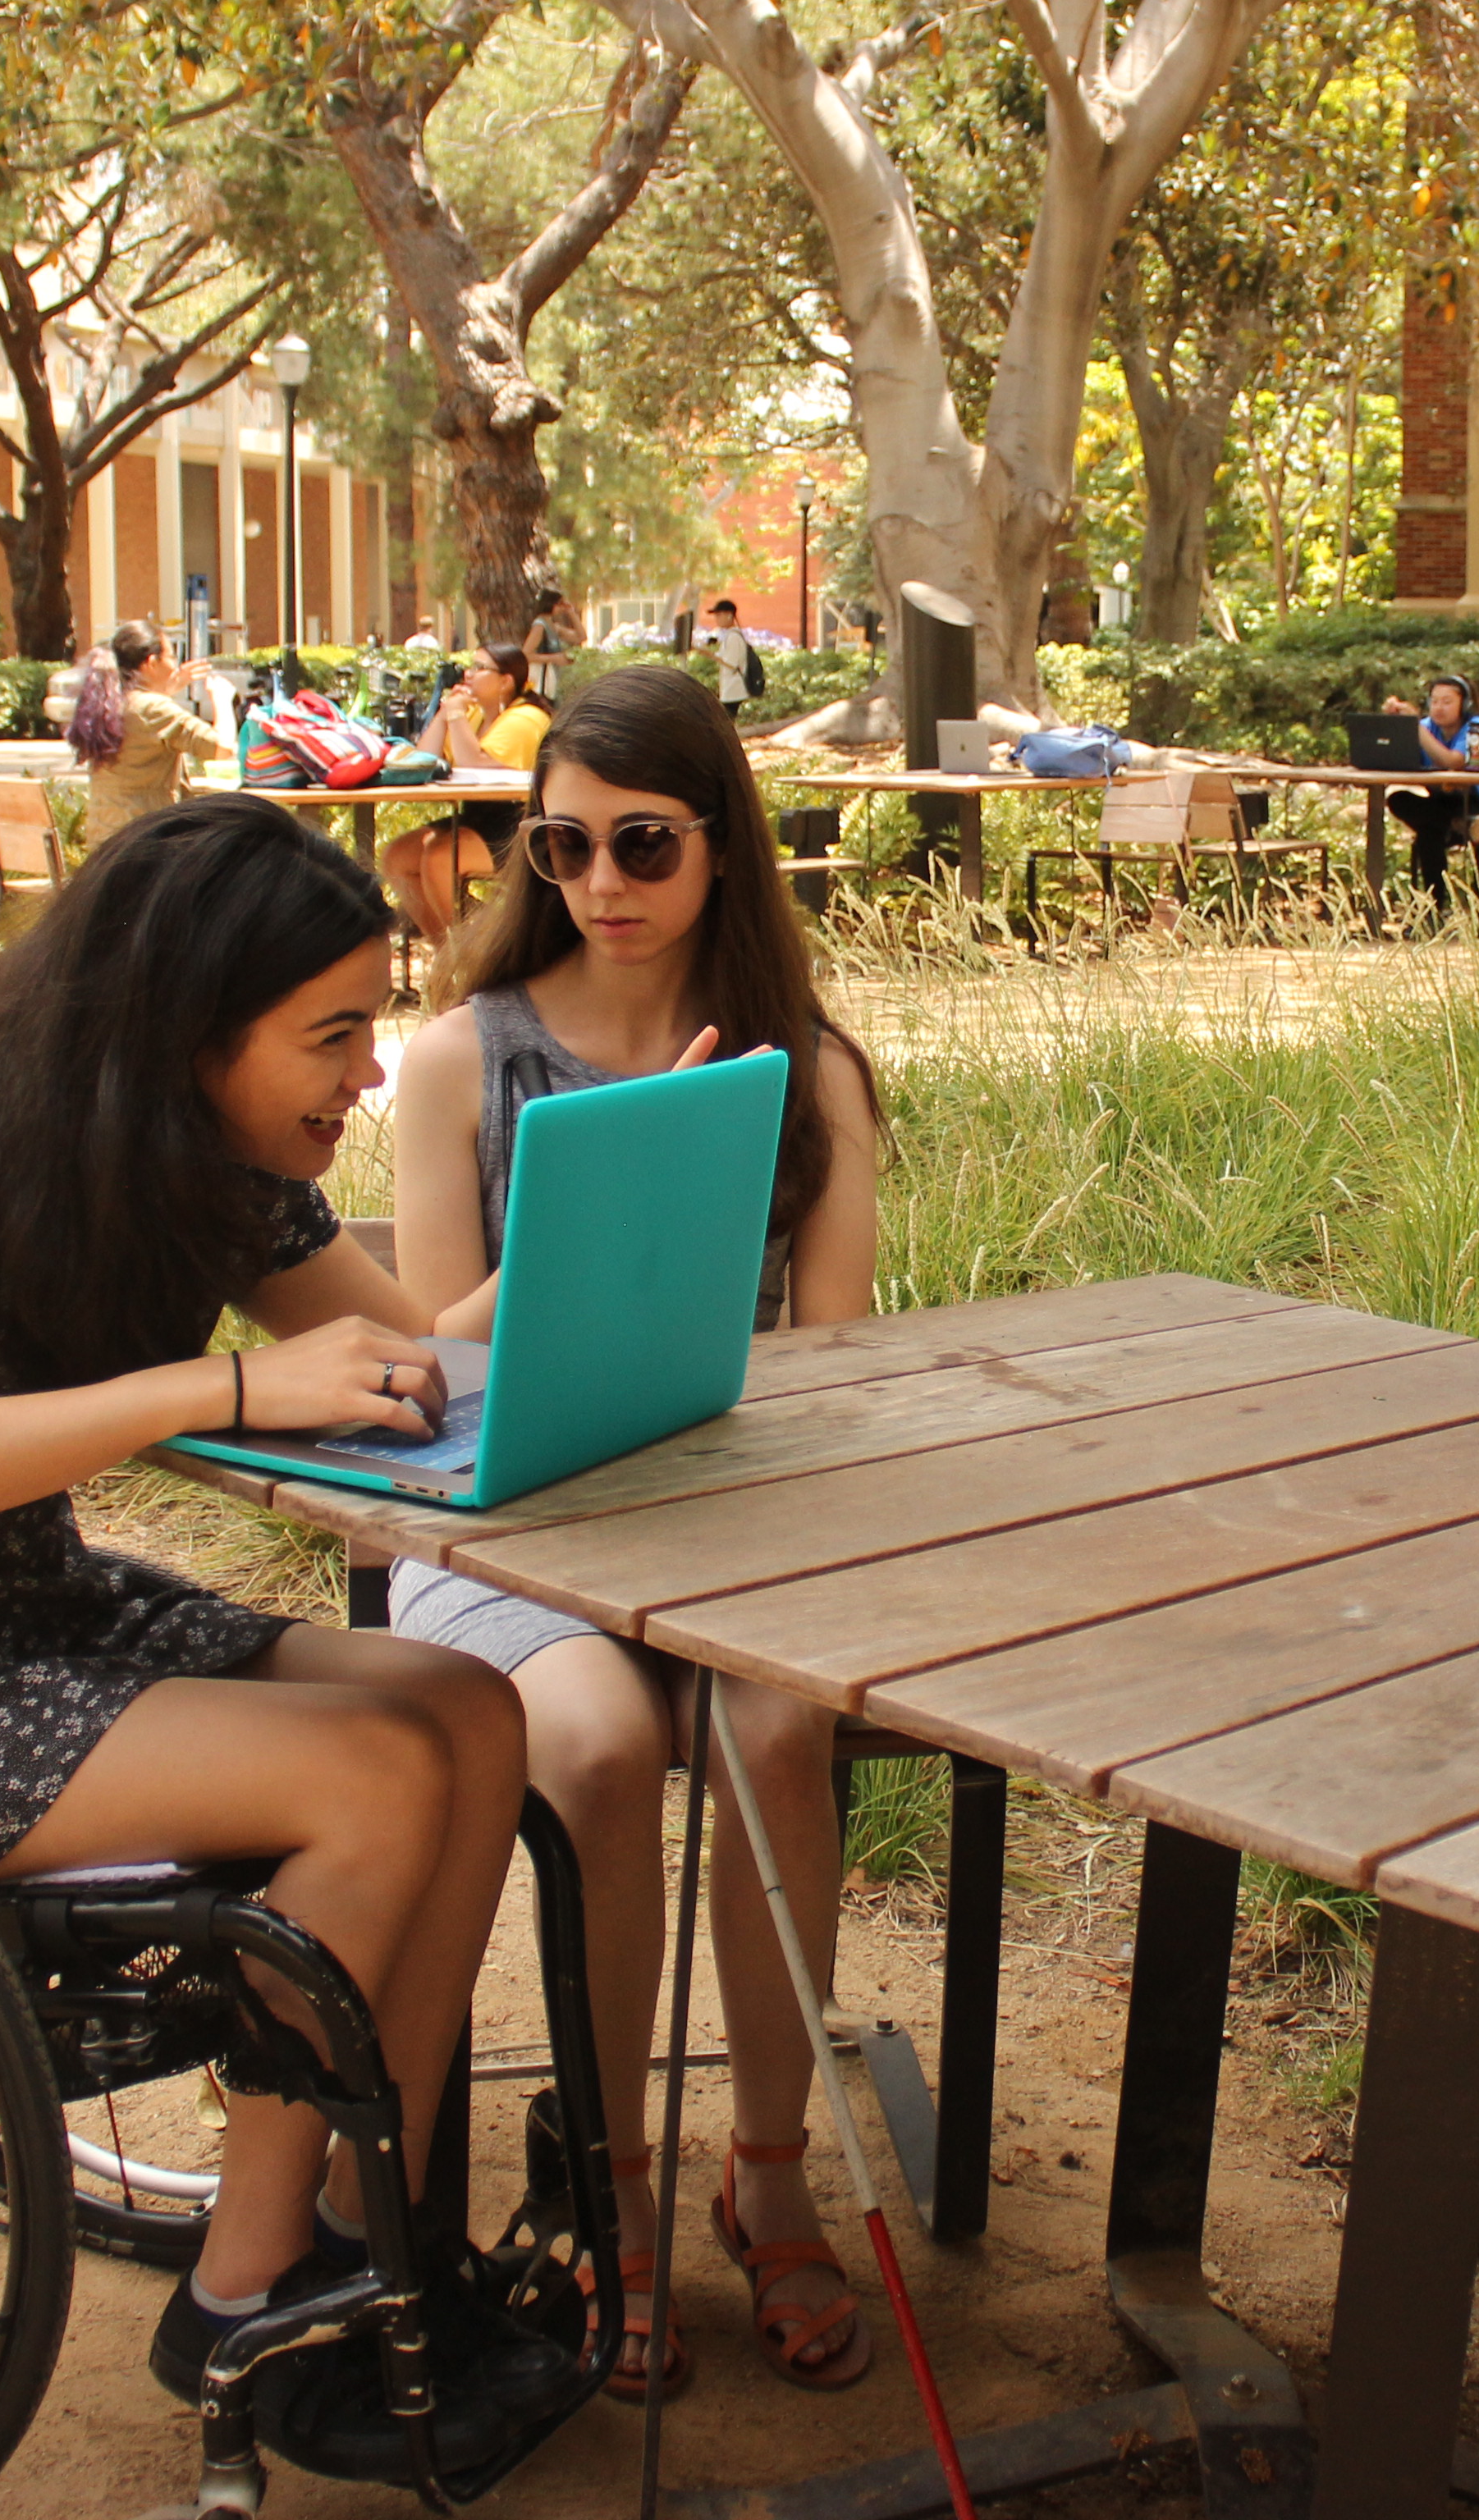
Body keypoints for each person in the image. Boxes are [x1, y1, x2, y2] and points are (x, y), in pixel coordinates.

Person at [0, 797, 562, 2480]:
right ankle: (245, 2295)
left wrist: (598, 1227)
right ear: (186, 1030)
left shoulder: (217, 1162)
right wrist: (223, 1385)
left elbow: (412, 1364)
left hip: (36, 1623)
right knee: (377, 1776)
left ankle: (380, 2255)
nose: (369, 1078)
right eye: (334, 1034)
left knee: (467, 1709)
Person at [382, 665, 890, 2403]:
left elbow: (838, 1366)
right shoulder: (455, 1058)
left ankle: (764, 2167)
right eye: (567, 842)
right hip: (495, 1530)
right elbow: (417, 1359)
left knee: (777, 1724)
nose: (603, 881)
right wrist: (593, 1207)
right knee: (592, 1746)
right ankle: (610, 2189)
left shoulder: (807, 1073)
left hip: (723, 1528)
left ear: (721, 851)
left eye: (647, 845)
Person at [383, 643, 552, 944]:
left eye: (480, 668)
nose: (469, 675)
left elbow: (473, 762)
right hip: (477, 817)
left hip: (519, 824)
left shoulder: (526, 718)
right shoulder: (474, 715)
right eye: (469, 667)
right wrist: (444, 714)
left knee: (440, 857)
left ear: (506, 681)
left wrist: (457, 716)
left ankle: (468, 952)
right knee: (398, 857)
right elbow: (423, 759)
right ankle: (446, 952)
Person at [70, 623, 234, 838]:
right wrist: (222, 699)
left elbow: (147, 721)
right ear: (151, 662)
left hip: (105, 839)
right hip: (146, 841)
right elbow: (222, 748)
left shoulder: (109, 704)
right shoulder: (152, 708)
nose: (176, 666)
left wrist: (168, 687)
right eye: (172, 657)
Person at [1376, 673, 1479, 902]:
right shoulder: (1427, 727)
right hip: (1444, 806)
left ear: (1464, 704)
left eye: (1447, 702)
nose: (1439, 708)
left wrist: (1417, 730)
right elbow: (1396, 757)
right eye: (1435, 701)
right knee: (1400, 800)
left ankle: (1436, 906)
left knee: (1429, 833)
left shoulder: (1478, 728)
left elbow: (1454, 762)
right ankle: (1434, 909)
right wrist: (1397, 723)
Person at [524, 584, 579, 702]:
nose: (562, 607)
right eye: (559, 604)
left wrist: (571, 613)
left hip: (554, 681)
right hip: (542, 683)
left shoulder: (554, 627)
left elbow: (580, 637)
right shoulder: (540, 626)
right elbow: (526, 655)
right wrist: (554, 658)